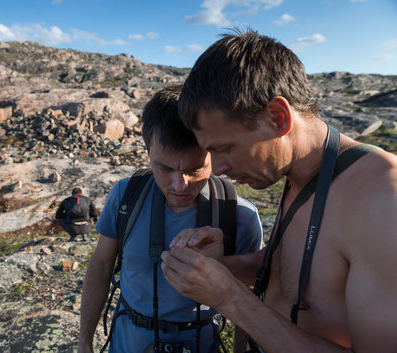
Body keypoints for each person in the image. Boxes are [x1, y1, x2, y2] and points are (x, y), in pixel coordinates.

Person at [160, 30, 397, 353]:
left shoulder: (382, 199)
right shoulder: (296, 172)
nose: (218, 169)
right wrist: (222, 268)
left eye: (225, 148)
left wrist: (230, 297)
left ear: (278, 117)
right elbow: (300, 270)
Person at [78, 85, 263, 353]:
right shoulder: (125, 196)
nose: (179, 185)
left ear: (214, 154)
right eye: (164, 168)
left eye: (195, 169)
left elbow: (248, 294)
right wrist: (84, 342)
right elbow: (102, 264)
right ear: (147, 152)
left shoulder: (239, 216)